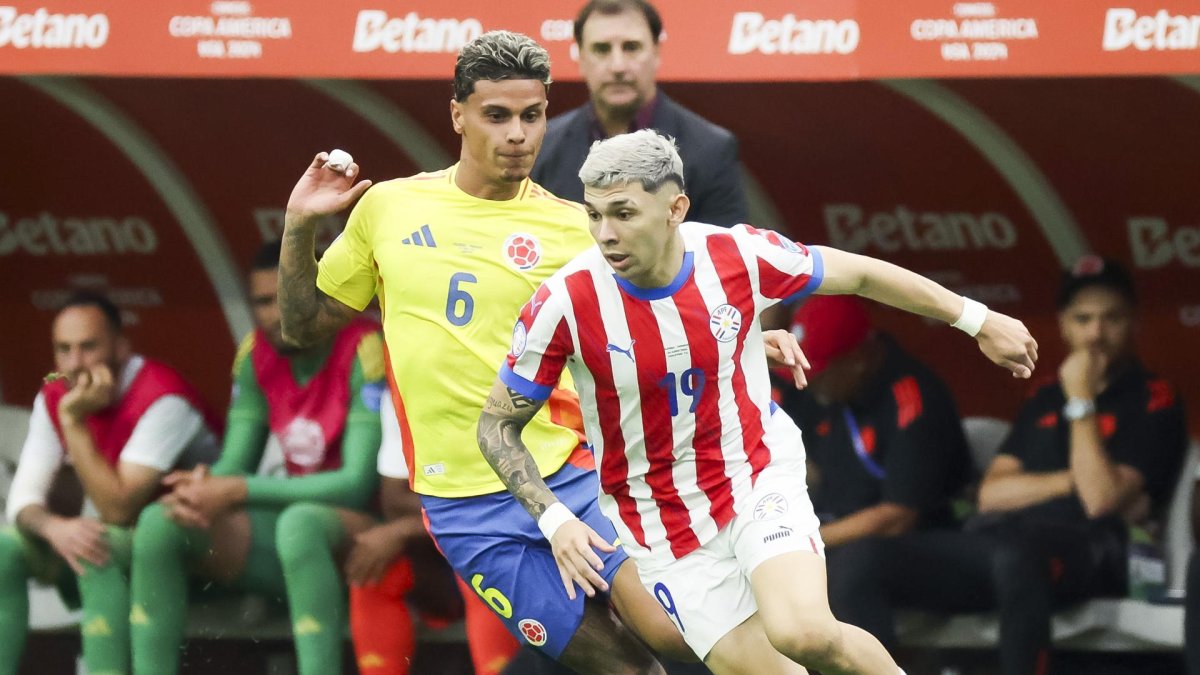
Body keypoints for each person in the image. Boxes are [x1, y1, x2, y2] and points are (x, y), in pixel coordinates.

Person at [479, 129, 1038, 675]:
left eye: (623, 213)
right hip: (656, 521)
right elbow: (496, 427)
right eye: (594, 214)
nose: (605, 234)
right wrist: (554, 520)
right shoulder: (565, 302)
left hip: (753, 474)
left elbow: (862, 273)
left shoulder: (737, 255)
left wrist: (977, 318)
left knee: (805, 633)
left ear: (676, 208)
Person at [278, 30, 697, 675]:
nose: (518, 135)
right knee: (625, 669)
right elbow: (303, 325)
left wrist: (752, 333)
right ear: (458, 115)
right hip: (466, 511)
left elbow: (666, 304)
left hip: (572, 476)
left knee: (673, 633)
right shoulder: (388, 207)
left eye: (532, 116)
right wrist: (299, 226)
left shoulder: (574, 229)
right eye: (496, 116)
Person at [129, 241, 385, 675]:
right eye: (264, 301)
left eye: (287, 297)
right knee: (161, 520)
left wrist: (236, 489)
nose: (275, 314)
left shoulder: (364, 346)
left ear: (321, 296)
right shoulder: (255, 353)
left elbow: (358, 484)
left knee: (300, 523)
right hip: (293, 529)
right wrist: (205, 488)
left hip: (370, 533)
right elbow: (235, 461)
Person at [0, 292, 219, 675]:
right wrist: (54, 527)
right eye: (63, 349)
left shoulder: (162, 396)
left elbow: (119, 509)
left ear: (121, 346)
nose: (74, 364)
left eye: (88, 347)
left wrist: (74, 425)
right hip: (123, 549)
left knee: (96, 543)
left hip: (192, 552)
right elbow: (22, 500)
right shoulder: (56, 395)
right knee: (7, 548)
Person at [776, 295, 972, 647]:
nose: (808, 381)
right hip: (835, 534)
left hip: (926, 547)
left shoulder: (912, 396)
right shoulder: (829, 394)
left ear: (859, 359)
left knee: (853, 567)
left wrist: (804, 540)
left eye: (818, 371)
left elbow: (897, 516)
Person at [347, 388, 519, 675]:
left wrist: (408, 528)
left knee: (481, 555)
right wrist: (406, 529)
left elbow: (514, 502)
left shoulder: (506, 378)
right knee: (371, 566)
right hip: (442, 550)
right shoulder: (405, 381)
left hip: (516, 546)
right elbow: (395, 499)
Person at [532, 0, 747, 227]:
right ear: (581, 57)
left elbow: (722, 255)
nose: (618, 66)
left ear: (656, 53)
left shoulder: (712, 150)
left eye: (631, 47)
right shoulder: (542, 147)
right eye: (601, 49)